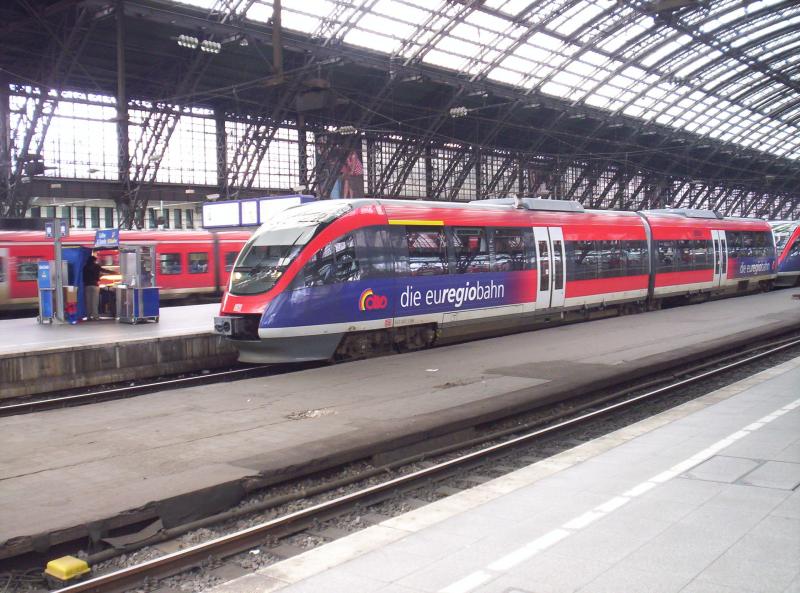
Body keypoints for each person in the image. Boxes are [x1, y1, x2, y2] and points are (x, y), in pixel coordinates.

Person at [83, 255, 112, 320]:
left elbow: (84, 277)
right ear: (94, 260)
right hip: (95, 285)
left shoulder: (85, 267)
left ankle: (88, 316)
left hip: (87, 286)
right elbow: (104, 270)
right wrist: (114, 272)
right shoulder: (96, 266)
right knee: (95, 302)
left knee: (88, 301)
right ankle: (95, 316)